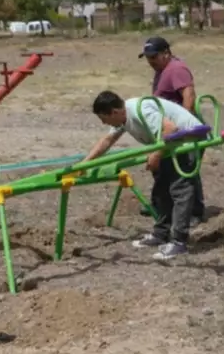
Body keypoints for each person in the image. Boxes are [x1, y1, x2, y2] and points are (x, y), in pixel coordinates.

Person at [82, 90, 202, 260]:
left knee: (180, 190)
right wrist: (85, 163)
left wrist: (156, 154)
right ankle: (161, 233)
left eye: (104, 119)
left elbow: (171, 129)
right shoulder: (122, 117)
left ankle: (178, 241)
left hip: (188, 141)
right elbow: (107, 140)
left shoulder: (140, 110)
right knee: (161, 190)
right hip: (170, 145)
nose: (104, 123)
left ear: (114, 112)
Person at [139, 36, 207, 224]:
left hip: (185, 131)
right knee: (165, 168)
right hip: (170, 129)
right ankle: (161, 205)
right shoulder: (162, 70)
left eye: (153, 57)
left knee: (186, 170)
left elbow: (189, 96)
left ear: (166, 53)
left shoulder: (176, 69)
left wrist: (184, 130)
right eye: (147, 57)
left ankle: (194, 212)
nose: (150, 61)